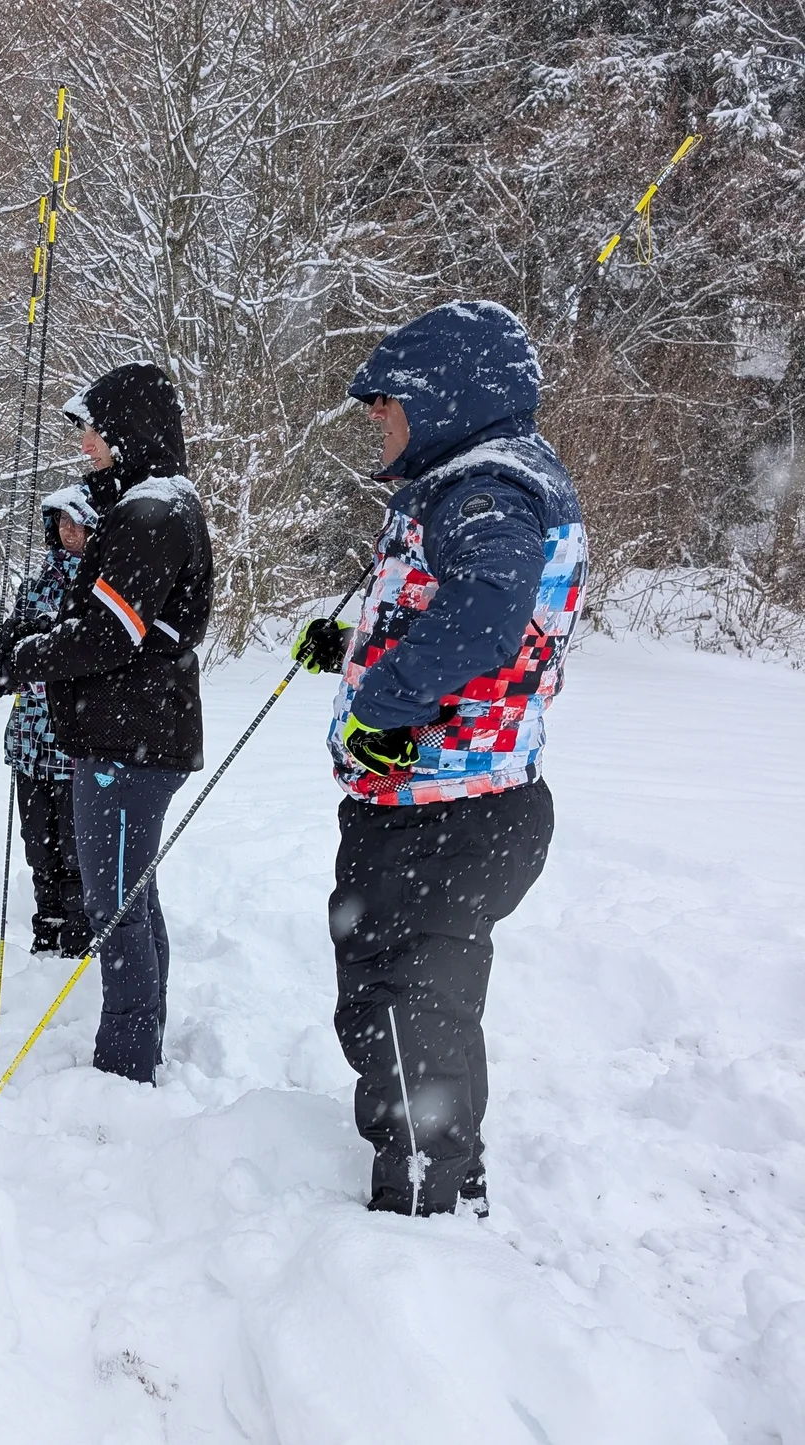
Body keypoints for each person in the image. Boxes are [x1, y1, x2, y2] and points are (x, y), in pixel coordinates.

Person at [290, 299, 587, 1216]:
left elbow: (491, 609)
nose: (376, 420)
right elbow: (461, 617)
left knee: (398, 996)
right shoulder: (484, 480)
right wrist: (351, 649)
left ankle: (419, 1202)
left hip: (439, 808)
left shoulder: (485, 489)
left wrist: (382, 701)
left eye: (387, 404)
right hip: (465, 798)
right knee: (425, 989)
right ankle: (450, 1163)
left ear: (445, 396)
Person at [0, 362, 212, 1082]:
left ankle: (124, 1062)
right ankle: (138, 1042)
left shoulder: (152, 513)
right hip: (130, 732)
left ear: (128, 429)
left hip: (131, 738)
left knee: (113, 905)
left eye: (91, 431)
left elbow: (107, 632)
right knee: (129, 894)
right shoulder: (147, 502)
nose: (84, 446)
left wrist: (26, 658)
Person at [0, 485, 98, 956]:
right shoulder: (35, 583)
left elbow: (94, 653)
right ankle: (47, 927)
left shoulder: (101, 586)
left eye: (77, 524)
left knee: (76, 848)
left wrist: (49, 642)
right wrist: (3, 650)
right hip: (28, 738)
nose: (68, 532)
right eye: (61, 523)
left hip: (75, 740)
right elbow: (10, 654)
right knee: (38, 844)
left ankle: (80, 935)